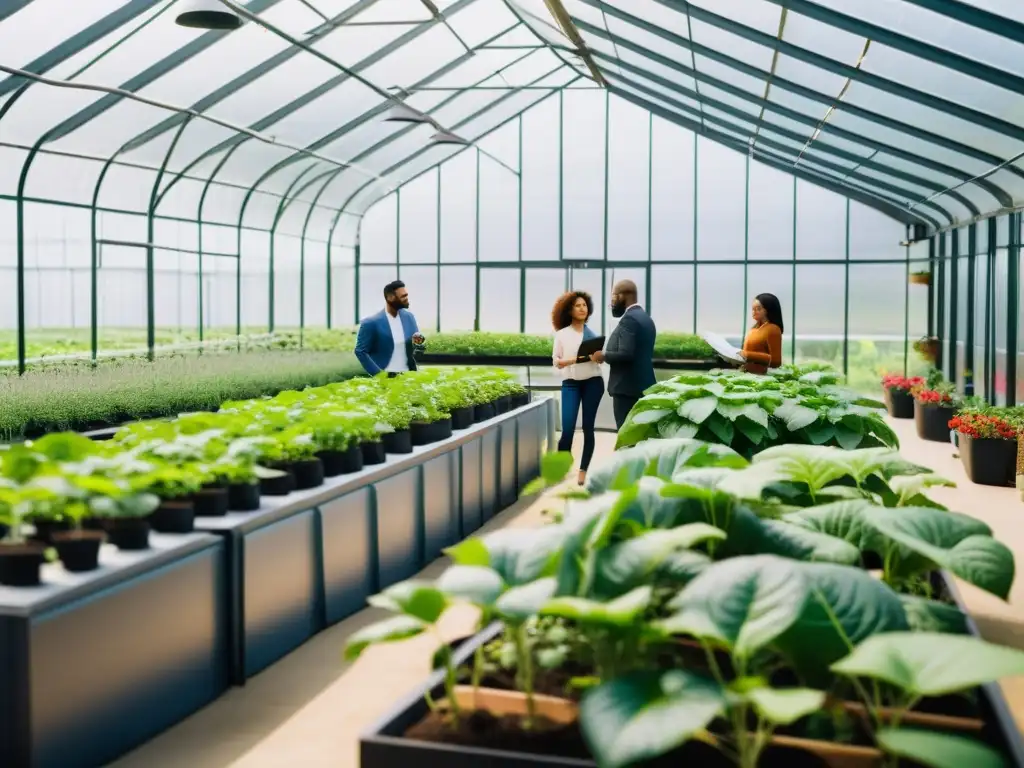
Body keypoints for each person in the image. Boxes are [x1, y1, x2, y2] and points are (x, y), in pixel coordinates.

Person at [552, 291, 605, 486]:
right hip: (571, 384)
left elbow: (599, 361)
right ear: (569, 310)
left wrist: (600, 356)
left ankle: (583, 470)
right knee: (567, 430)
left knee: (588, 428)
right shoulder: (561, 335)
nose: (583, 308)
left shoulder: (593, 335)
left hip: (593, 382)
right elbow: (557, 362)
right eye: (578, 305)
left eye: (585, 305)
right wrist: (579, 359)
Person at [590, 279, 656, 430]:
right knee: (639, 434)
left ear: (622, 296)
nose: (612, 302)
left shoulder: (629, 319)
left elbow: (625, 354)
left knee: (625, 434)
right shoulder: (647, 319)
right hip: (643, 386)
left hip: (627, 390)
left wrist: (603, 356)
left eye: (613, 296)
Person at [354, 280, 425, 377]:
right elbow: (360, 351)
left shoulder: (410, 317)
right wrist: (379, 375)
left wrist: (419, 345)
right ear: (390, 298)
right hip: (384, 380)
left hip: (409, 377)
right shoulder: (370, 323)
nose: (407, 299)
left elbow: (416, 344)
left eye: (406, 295)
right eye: (403, 296)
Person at [738, 292, 784, 374]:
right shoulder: (753, 330)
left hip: (762, 378)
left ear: (768, 310)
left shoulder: (773, 329)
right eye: (753, 309)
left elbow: (776, 361)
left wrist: (749, 355)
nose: (754, 312)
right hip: (745, 374)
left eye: (758, 309)